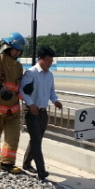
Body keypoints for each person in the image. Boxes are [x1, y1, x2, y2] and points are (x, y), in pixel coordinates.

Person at [0, 32, 27, 174]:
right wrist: (0, 89)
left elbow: (19, 86)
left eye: (20, 51)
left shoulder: (19, 67)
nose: (18, 53)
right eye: (17, 50)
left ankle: (7, 163)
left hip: (13, 109)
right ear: (8, 48)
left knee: (13, 136)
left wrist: (27, 89)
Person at [20, 46, 63, 181]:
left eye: (51, 61)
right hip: (31, 111)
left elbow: (51, 91)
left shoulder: (49, 75)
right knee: (37, 141)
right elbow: (22, 91)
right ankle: (41, 171)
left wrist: (55, 101)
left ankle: (26, 163)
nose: (50, 64)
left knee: (36, 139)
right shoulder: (30, 73)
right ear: (40, 59)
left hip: (43, 112)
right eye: (48, 61)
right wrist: (30, 104)